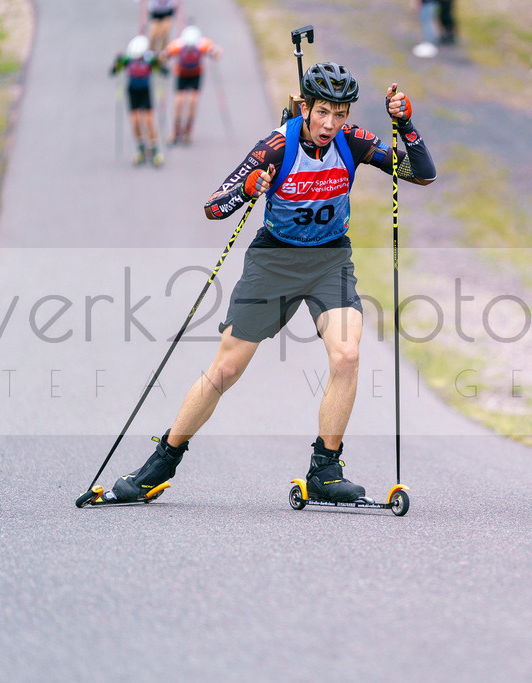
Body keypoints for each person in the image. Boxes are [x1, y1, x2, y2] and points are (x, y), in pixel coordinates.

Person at [107, 62, 436, 504]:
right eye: (322, 112)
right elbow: (213, 207)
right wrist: (247, 188)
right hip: (273, 261)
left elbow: (420, 173)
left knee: (347, 355)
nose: (330, 123)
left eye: (340, 114)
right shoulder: (276, 148)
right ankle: (160, 462)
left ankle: (325, 468)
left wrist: (406, 124)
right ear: (305, 107)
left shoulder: (353, 141)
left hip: (328, 259)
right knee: (225, 369)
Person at [110, 35, 167, 167]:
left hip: (145, 92)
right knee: (135, 121)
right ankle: (141, 149)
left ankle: (155, 150)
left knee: (148, 121)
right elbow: (113, 71)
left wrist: (160, 62)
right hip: (132, 91)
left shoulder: (149, 59)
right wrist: (117, 61)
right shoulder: (127, 59)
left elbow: (163, 71)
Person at [161, 24, 222, 145]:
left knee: (193, 102)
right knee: (179, 102)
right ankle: (175, 131)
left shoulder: (202, 44)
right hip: (182, 74)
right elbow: (164, 55)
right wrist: (165, 58)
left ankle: (188, 130)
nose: (190, 49)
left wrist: (214, 53)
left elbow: (218, 51)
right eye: (188, 47)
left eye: (192, 47)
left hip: (195, 74)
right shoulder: (178, 45)